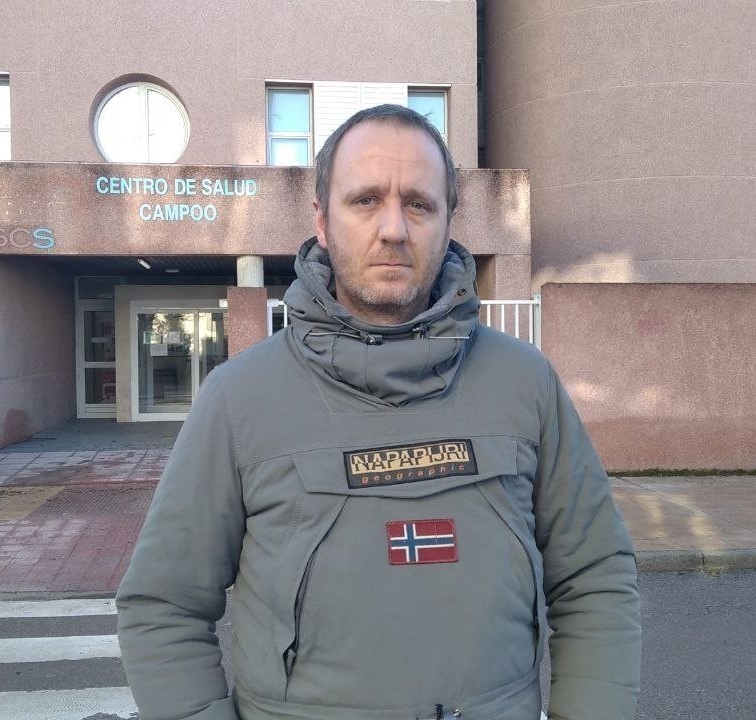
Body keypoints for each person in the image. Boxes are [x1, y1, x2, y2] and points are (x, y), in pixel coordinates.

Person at [117, 104, 641, 720]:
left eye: (418, 203)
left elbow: (595, 579)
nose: (394, 228)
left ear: (448, 222)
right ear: (321, 219)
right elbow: (164, 608)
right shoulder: (238, 399)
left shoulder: (526, 384)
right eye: (366, 200)